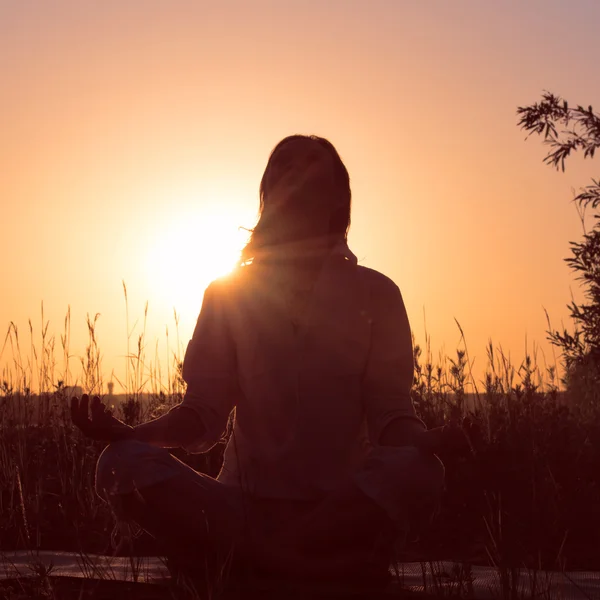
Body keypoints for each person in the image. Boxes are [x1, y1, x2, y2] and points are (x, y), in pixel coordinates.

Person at [71, 135, 470, 589]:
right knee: (118, 462)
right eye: (286, 174)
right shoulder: (228, 294)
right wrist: (130, 435)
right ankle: (299, 561)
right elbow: (202, 415)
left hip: (337, 507)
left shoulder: (377, 294)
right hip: (241, 506)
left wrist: (431, 438)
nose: (298, 185)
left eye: (313, 174)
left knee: (420, 469)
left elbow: (390, 417)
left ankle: (262, 559)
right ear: (269, 195)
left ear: (339, 196)